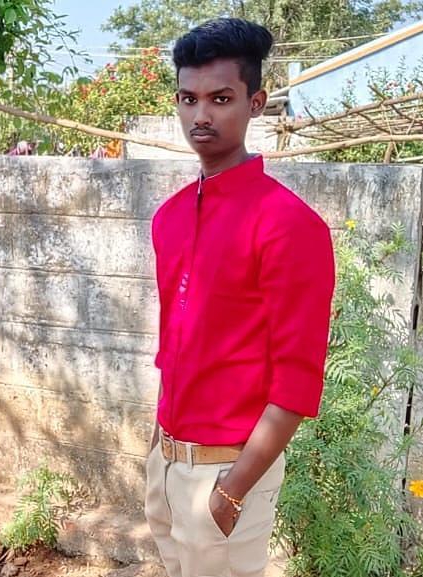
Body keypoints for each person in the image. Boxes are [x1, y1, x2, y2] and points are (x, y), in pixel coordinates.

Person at [145, 18, 335, 577]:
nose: (201, 115)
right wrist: (156, 452)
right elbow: (173, 349)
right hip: (168, 466)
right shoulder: (170, 217)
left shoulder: (289, 225)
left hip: (228, 475)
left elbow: (297, 380)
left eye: (220, 98)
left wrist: (230, 493)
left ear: (256, 102)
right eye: (189, 99)